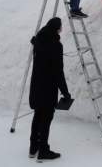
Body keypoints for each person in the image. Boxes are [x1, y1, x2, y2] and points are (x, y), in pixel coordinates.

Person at [29, 17, 71, 161]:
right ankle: (43, 151)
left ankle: (33, 147)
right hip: (48, 88)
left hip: (36, 86)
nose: (61, 29)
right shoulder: (56, 45)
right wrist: (65, 92)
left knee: (37, 116)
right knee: (46, 119)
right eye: (60, 26)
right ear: (56, 28)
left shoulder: (38, 41)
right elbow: (58, 71)